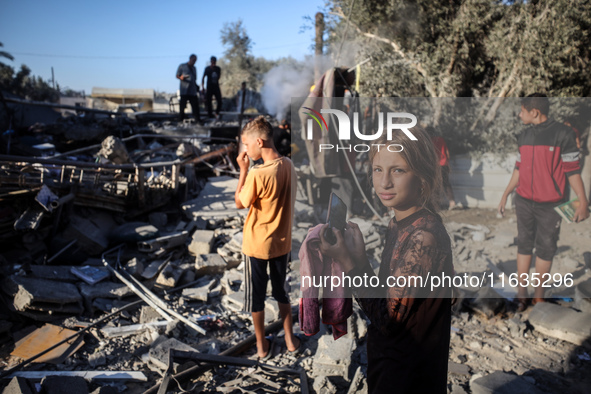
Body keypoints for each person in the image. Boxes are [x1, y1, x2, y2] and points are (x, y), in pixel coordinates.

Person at [318, 127, 454, 393]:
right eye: (378, 169)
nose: (384, 182)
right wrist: (359, 260)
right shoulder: (399, 222)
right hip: (391, 364)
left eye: (398, 170)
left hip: (408, 376)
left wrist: (349, 264)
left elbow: (387, 321)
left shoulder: (424, 237)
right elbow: (385, 298)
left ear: (422, 177)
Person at [498, 94, 589, 311]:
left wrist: (583, 201)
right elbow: (518, 169)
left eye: (522, 111)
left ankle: (538, 298)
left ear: (534, 112)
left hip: (550, 205)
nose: (520, 115)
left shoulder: (563, 134)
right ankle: (522, 295)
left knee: (546, 249)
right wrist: (506, 194)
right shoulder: (523, 135)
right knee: (524, 245)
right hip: (523, 202)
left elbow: (573, 171)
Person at [234, 116, 300, 359]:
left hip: (257, 246)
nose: (245, 150)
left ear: (259, 142)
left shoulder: (257, 173)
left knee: (257, 297)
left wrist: (242, 170)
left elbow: (240, 203)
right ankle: (291, 340)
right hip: (282, 243)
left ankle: (262, 347)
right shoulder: (289, 165)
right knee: (282, 292)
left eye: (246, 144)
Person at [427, 127, 457, 209]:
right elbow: (447, 152)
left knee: (435, 185)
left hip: (435, 165)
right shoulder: (441, 139)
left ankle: (436, 205)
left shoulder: (429, 142)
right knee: (446, 183)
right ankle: (452, 202)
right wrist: (447, 162)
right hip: (444, 164)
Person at [176, 54, 201, 123]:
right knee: (182, 106)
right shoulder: (182, 66)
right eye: (193, 60)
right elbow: (177, 75)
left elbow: (194, 79)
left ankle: (197, 120)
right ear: (190, 59)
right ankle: (180, 120)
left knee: (195, 106)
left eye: (195, 61)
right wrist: (181, 77)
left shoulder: (194, 68)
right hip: (184, 91)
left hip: (192, 91)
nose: (194, 62)